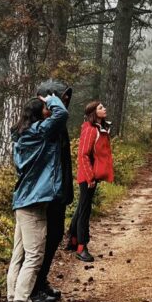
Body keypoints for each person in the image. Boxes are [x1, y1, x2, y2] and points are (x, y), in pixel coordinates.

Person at [5, 93, 69, 302]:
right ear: (39, 113)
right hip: (33, 203)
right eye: (45, 108)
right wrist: (52, 98)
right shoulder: (40, 132)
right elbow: (61, 115)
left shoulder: (20, 135)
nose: (48, 111)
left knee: (18, 255)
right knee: (34, 257)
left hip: (22, 200)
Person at [31, 78, 74, 302]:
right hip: (46, 195)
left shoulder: (56, 126)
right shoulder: (43, 127)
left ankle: (41, 282)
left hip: (57, 194)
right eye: (61, 96)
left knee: (55, 236)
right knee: (40, 243)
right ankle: (33, 288)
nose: (66, 100)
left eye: (66, 97)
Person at [67, 100, 114, 262]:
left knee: (82, 206)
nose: (104, 108)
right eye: (101, 108)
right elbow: (83, 155)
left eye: (103, 106)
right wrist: (90, 177)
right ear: (94, 112)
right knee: (85, 211)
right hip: (88, 177)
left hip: (92, 175)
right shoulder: (90, 130)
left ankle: (73, 239)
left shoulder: (98, 128)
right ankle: (81, 247)